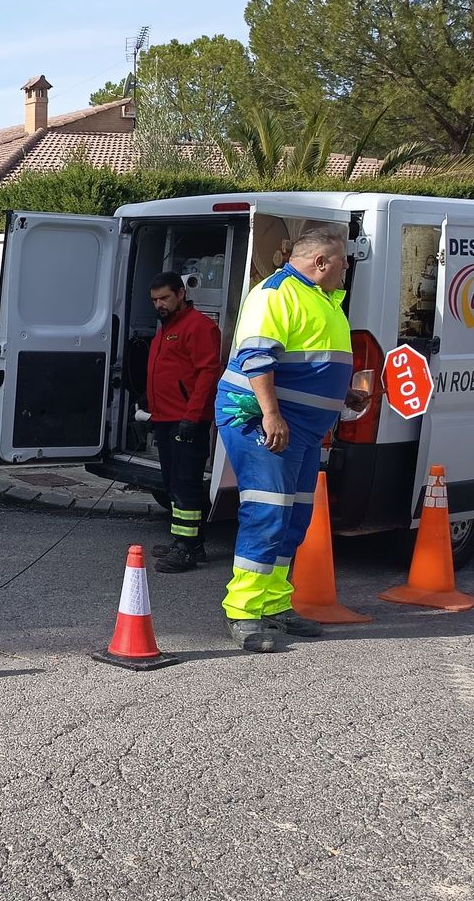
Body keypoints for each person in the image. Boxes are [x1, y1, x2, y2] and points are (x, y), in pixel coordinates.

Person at [214, 229, 368, 651]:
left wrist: (342, 395)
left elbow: (311, 363)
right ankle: (244, 612)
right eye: (342, 261)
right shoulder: (275, 293)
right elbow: (257, 358)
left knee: (294, 518)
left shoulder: (322, 301)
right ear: (320, 262)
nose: (347, 268)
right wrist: (271, 415)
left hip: (299, 427)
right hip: (262, 420)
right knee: (268, 513)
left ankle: (274, 605)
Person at [145, 271, 222, 573]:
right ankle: (187, 540)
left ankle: (186, 549)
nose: (159, 305)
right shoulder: (166, 328)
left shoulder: (199, 327)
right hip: (166, 418)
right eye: (154, 300)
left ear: (181, 294)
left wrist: (192, 417)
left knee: (186, 484)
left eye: (164, 298)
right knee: (172, 483)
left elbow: (207, 373)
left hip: (186, 420)